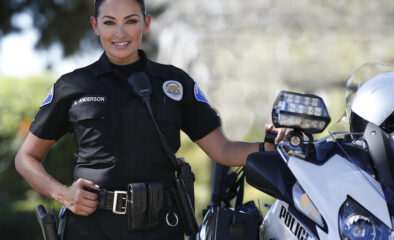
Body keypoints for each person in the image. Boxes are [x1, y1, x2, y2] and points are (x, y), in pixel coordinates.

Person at [14, 0, 287, 239]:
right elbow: (26, 157)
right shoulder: (73, 86)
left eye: (130, 21)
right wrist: (63, 194)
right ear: (95, 26)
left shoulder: (173, 83)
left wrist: (271, 146)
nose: (120, 33)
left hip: (160, 226)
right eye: (109, 22)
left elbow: (223, 150)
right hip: (90, 228)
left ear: (145, 23)